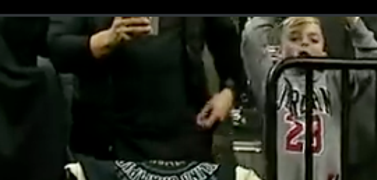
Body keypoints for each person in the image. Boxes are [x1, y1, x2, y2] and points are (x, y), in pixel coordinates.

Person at [47, 16, 245, 161]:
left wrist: (229, 92)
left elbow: (227, 40)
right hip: (110, 145)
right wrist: (100, 42)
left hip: (186, 138)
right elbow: (53, 45)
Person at [241, 16, 377, 180]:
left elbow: (372, 60)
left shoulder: (335, 78)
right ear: (280, 50)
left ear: (324, 51)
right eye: (294, 38)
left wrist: (353, 21)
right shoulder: (271, 78)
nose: (304, 44)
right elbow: (252, 36)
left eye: (313, 40)